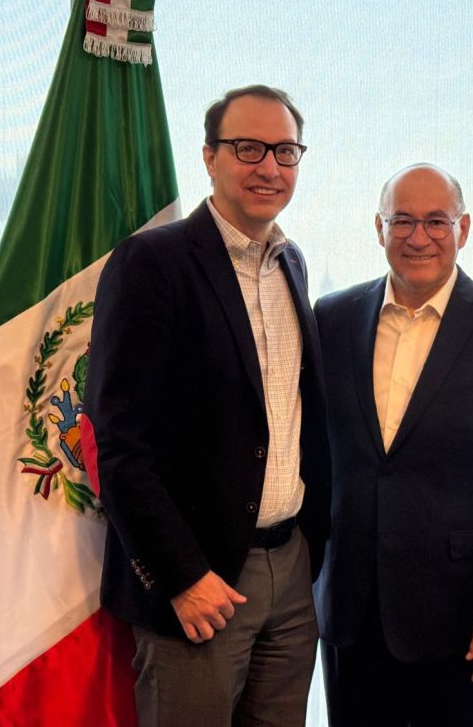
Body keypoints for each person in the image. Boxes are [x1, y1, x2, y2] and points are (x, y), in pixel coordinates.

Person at [85, 85, 330, 727]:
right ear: (209, 156)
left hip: (291, 572)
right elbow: (118, 443)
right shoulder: (152, 262)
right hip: (201, 582)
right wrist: (181, 577)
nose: (269, 166)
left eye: (285, 150)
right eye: (248, 148)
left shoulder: (292, 263)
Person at [314, 163, 473, 726]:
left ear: (463, 229)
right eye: (402, 221)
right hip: (349, 613)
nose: (418, 237)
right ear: (379, 228)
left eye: (436, 221)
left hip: (461, 619)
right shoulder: (333, 317)